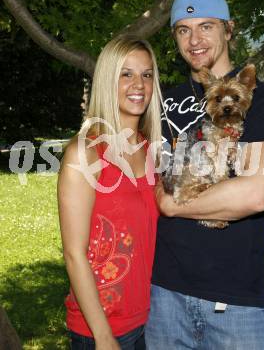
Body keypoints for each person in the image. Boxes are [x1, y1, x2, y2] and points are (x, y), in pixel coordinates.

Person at [145, 0, 264, 349]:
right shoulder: (159, 100)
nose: (194, 40)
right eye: (183, 29)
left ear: (228, 29)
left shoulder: (262, 102)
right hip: (161, 292)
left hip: (235, 298)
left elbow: (253, 195)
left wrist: (172, 204)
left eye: (206, 26)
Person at [58, 36, 162, 350]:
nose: (139, 84)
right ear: (107, 80)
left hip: (153, 320)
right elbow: (74, 254)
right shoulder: (85, 153)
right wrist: (103, 337)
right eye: (126, 73)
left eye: (146, 75)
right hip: (102, 330)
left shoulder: (152, 150)